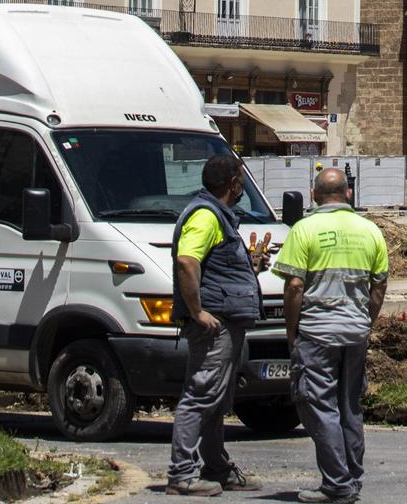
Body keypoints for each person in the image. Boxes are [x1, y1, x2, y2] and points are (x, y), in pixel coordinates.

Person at [275, 166, 389, 504]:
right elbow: (379, 286)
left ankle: (337, 484)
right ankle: (352, 478)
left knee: (319, 406)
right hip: (355, 333)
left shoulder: (304, 229)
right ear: (348, 194)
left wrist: (292, 331)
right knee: (349, 407)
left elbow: (294, 284)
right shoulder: (370, 230)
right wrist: (364, 322)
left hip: (317, 333)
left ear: (313, 195)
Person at [166, 153, 267, 497]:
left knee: (215, 397)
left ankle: (217, 467)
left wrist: (249, 267)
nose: (242, 186)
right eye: (240, 179)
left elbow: (213, 267)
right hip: (214, 324)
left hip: (225, 320)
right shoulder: (207, 216)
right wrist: (197, 312)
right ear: (233, 184)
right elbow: (186, 261)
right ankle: (182, 474)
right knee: (200, 394)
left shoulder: (220, 217)